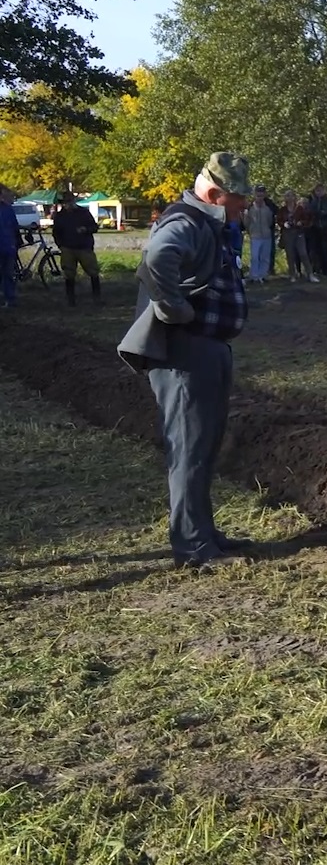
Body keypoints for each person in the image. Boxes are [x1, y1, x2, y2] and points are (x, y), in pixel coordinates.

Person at [116, 152, 257, 569]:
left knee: (204, 446)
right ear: (215, 194)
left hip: (206, 349)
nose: (244, 205)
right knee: (190, 449)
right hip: (186, 353)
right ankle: (194, 547)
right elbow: (158, 259)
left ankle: (203, 533)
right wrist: (175, 310)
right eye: (239, 198)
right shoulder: (186, 222)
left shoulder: (204, 223)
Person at [51, 191, 102, 305]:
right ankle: (71, 300)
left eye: (69, 201)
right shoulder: (60, 216)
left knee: (93, 272)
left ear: (74, 201)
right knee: (69, 274)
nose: (67, 204)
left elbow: (94, 227)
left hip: (84, 247)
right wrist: (61, 245)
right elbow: (56, 232)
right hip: (67, 248)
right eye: (65, 202)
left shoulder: (83, 213)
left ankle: (97, 298)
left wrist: (85, 229)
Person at [244, 192, 275, 284]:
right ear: (254, 197)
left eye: (261, 196)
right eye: (258, 196)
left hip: (266, 235)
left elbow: (270, 221)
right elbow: (246, 222)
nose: (260, 198)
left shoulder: (268, 208)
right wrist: (250, 230)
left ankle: (263, 275)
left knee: (265, 257)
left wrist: (267, 229)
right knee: (255, 257)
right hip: (255, 235)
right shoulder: (250, 208)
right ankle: (254, 276)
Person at [0, 185, 20, 309]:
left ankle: (10, 299)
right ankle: (9, 298)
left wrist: (18, 241)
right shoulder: (8, 209)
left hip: (8, 247)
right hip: (8, 246)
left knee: (8, 273)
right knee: (7, 274)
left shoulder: (8, 209)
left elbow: (14, 227)